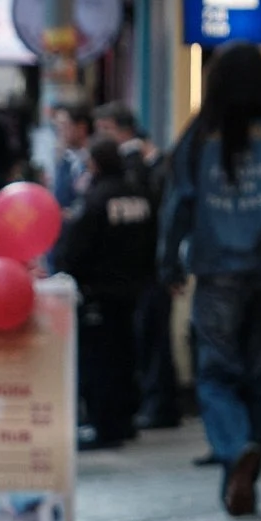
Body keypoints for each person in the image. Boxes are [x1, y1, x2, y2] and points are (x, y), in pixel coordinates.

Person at [158, 43, 261, 516]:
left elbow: (177, 210)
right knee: (257, 372)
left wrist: (168, 264)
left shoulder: (199, 137)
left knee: (215, 374)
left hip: (217, 271)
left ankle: (236, 451)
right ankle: (247, 461)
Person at [55, 136, 156, 447]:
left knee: (100, 363)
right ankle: (125, 421)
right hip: (133, 288)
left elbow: (76, 248)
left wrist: (67, 271)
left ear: (94, 164)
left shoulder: (96, 199)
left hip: (99, 292)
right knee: (126, 356)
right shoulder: (139, 194)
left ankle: (105, 426)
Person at [96, 101, 179, 429]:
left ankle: (160, 404)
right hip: (144, 264)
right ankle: (153, 401)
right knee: (145, 334)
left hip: (152, 263)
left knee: (153, 334)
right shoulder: (144, 164)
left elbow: (160, 210)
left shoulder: (147, 165)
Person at [51, 102, 93, 211]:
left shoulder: (95, 157)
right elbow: (60, 199)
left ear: (81, 128)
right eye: (57, 127)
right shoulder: (67, 157)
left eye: (64, 126)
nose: (59, 132)